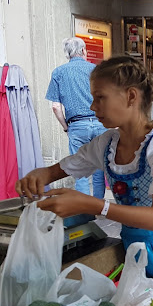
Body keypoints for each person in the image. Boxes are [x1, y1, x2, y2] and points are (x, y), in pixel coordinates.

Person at [16, 56, 153, 284]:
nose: (92, 107)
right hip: (133, 248)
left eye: (100, 98)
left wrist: (91, 204)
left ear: (131, 96)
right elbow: (61, 168)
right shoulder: (106, 144)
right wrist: (42, 174)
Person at [46, 37, 107, 199]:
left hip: (77, 125)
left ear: (67, 54)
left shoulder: (58, 73)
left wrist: (65, 127)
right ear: (84, 51)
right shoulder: (96, 70)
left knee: (80, 169)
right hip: (100, 123)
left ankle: (85, 208)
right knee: (99, 167)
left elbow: (55, 106)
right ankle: (99, 206)